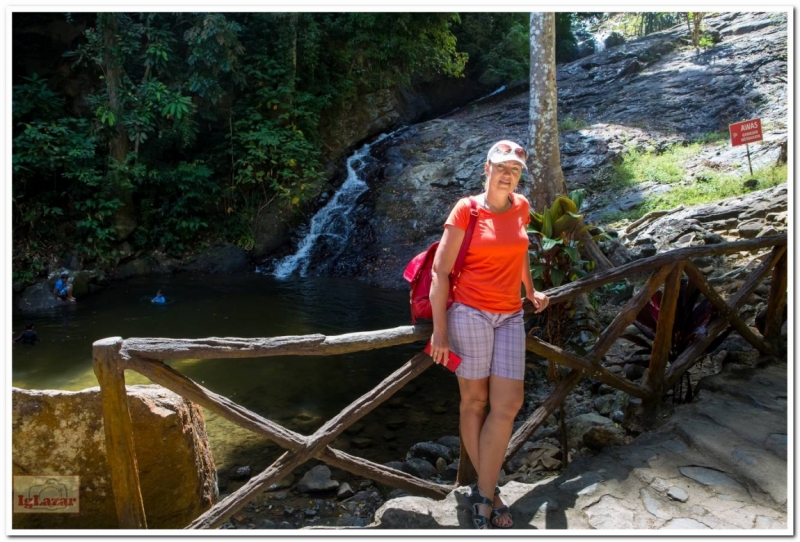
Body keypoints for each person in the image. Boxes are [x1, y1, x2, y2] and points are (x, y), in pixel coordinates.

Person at [429, 139, 550, 529]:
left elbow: (520, 251)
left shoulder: (523, 206)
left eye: (514, 169)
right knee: (475, 401)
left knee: (509, 402)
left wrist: (529, 290)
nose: (507, 174)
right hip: (470, 312)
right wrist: (440, 333)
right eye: (501, 167)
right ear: (486, 169)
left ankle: (485, 488)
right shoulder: (467, 209)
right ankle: (489, 494)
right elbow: (440, 272)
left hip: (510, 313)